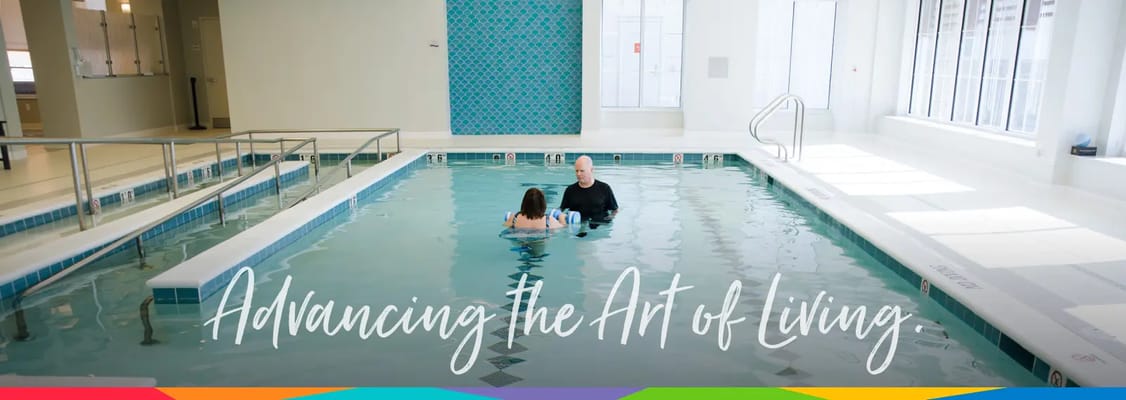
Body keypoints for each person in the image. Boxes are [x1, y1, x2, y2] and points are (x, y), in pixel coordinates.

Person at [560, 155, 618, 223]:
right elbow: (562, 208)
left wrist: (608, 219)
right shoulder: (570, 190)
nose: (578, 174)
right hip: (577, 225)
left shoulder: (604, 188)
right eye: (576, 171)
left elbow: (615, 210)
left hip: (599, 225)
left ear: (591, 170)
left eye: (582, 171)